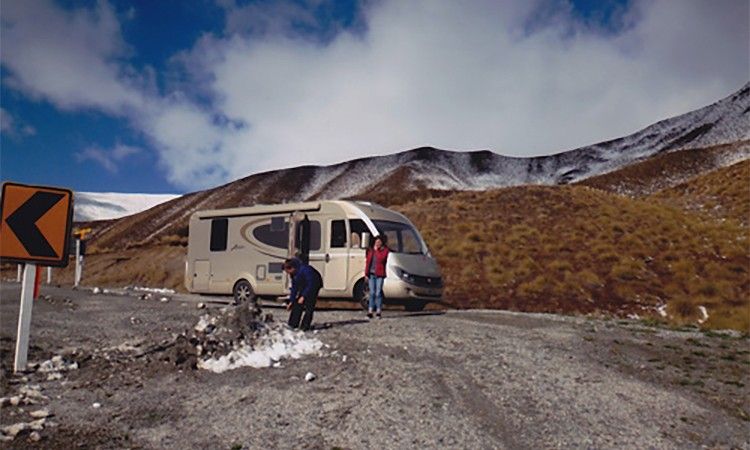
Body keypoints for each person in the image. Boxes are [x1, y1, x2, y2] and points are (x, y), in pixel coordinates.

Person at [283, 257, 322, 331]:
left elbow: (311, 284)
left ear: (292, 268)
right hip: (304, 285)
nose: (288, 273)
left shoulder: (305, 270)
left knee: (309, 306)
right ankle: (293, 324)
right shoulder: (293, 274)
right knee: (297, 304)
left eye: (288, 271)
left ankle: (305, 326)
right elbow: (294, 287)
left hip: (314, 285)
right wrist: (291, 300)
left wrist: (303, 296)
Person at [364, 235, 389, 319]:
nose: (377, 243)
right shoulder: (370, 250)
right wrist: (366, 274)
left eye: (379, 242)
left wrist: (377, 251)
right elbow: (367, 262)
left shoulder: (385, 250)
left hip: (380, 274)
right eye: (376, 242)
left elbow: (381, 259)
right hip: (371, 274)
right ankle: (370, 311)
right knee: (372, 293)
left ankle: (378, 311)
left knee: (378, 292)